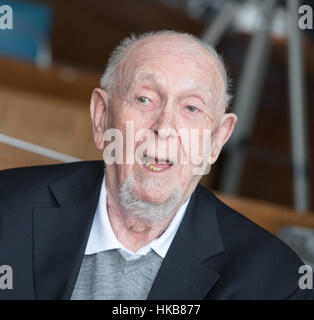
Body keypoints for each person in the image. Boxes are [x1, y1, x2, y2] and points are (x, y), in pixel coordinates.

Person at [0, 30, 313, 300]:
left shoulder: (274, 282)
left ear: (217, 140)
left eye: (191, 107)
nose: (164, 127)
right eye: (144, 99)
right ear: (101, 116)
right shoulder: (6, 208)